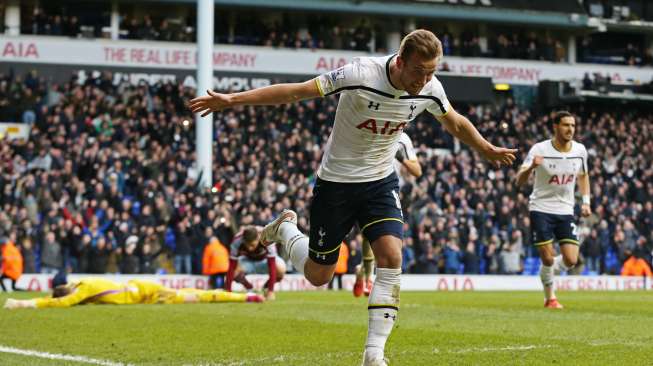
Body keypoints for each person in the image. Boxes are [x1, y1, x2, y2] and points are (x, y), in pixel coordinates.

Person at [190, 29, 516, 365]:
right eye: (419, 71)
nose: (425, 79)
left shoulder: (431, 89)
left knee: (391, 257)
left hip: (380, 181)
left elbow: (456, 123)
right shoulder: (360, 74)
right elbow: (296, 92)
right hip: (336, 183)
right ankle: (287, 228)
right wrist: (232, 99)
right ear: (401, 62)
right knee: (319, 276)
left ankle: (374, 354)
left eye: (432, 71)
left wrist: (486, 149)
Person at [516, 111, 591, 309]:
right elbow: (518, 180)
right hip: (540, 208)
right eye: (566, 125)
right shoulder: (539, 149)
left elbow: (583, 175)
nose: (570, 130)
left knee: (571, 260)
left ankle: (546, 272)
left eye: (573, 126)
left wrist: (586, 201)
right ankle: (550, 298)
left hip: (565, 210)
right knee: (547, 257)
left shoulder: (580, 150)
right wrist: (531, 165)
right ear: (555, 127)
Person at [353, 132, 422, 297]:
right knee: (368, 233)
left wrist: (402, 159)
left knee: (385, 243)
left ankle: (362, 270)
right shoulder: (371, 130)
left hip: (392, 194)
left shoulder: (403, 139)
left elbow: (417, 171)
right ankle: (369, 278)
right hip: (367, 186)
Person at [4, 275, 264, 309]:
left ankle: (247, 296)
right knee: (196, 294)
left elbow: (64, 303)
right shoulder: (84, 284)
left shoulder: (82, 291)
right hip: (145, 289)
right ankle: (244, 295)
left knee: (200, 296)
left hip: (151, 293)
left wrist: (24, 303)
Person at [224, 226, 285, 301]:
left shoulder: (268, 238)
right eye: (247, 245)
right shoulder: (236, 241)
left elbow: (272, 265)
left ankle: (266, 288)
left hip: (265, 261)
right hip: (247, 261)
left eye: (252, 245)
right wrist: (228, 291)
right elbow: (231, 267)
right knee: (233, 271)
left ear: (258, 238)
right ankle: (250, 288)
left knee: (281, 269)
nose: (249, 248)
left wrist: (270, 291)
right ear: (243, 240)